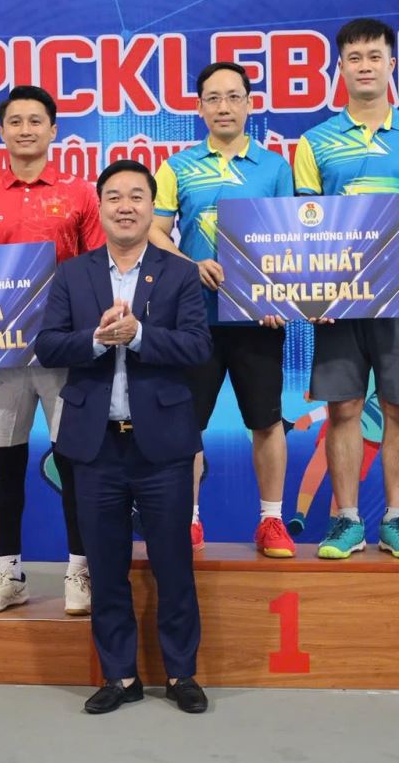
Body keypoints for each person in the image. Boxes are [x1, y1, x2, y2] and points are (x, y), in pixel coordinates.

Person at [36, 160, 213, 715]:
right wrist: (94, 339)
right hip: (95, 447)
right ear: (101, 207)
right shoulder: (73, 274)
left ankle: (181, 673)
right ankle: (120, 677)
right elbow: (48, 345)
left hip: (162, 446)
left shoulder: (179, 273)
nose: (126, 206)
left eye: (137, 196)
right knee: (106, 568)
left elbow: (197, 347)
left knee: (173, 566)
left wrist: (138, 335)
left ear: (152, 207)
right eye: (114, 196)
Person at [292, 17, 399, 561]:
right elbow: (306, 225)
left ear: (391, 64)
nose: (365, 66)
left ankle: (396, 520)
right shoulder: (315, 142)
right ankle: (346, 520)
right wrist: (315, 293)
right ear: (340, 68)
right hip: (338, 301)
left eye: (374, 56)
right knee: (343, 409)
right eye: (354, 58)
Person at [0, 86, 103, 616]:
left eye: (35, 120)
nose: (25, 129)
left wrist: (85, 339)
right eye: (15, 121)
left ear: (53, 129)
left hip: (65, 352)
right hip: (3, 358)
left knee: (74, 463)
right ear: (1, 132)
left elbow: (96, 271)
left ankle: (79, 571)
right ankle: (10, 574)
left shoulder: (81, 193)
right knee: (6, 466)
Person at [150, 61, 296, 557]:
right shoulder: (177, 166)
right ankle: (189, 519)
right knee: (188, 424)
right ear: (199, 108)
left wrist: (277, 296)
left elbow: (289, 240)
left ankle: (271, 521)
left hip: (258, 317)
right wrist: (190, 265)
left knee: (267, 421)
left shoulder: (275, 167)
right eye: (213, 98)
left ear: (250, 104)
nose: (224, 106)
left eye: (234, 96)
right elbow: (155, 232)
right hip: (194, 319)